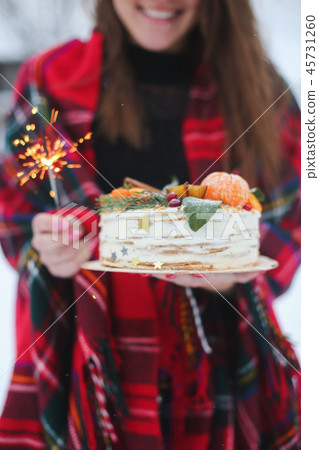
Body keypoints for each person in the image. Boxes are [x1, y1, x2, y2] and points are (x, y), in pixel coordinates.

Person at [0, 0, 301, 448]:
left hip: (217, 380)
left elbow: (285, 235)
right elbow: (16, 218)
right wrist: (46, 249)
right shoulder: (47, 82)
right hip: (80, 372)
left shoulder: (263, 91)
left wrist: (226, 271)